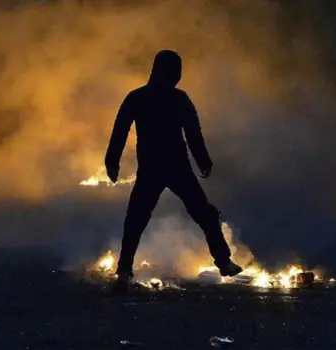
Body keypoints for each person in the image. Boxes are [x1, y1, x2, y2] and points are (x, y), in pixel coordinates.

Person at [104, 50, 243, 292]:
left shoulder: (138, 97)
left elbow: (120, 131)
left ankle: (124, 271)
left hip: (156, 167)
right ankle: (224, 262)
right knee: (203, 214)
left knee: (137, 219)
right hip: (174, 167)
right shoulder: (177, 99)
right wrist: (204, 162)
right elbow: (193, 134)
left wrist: (112, 162)